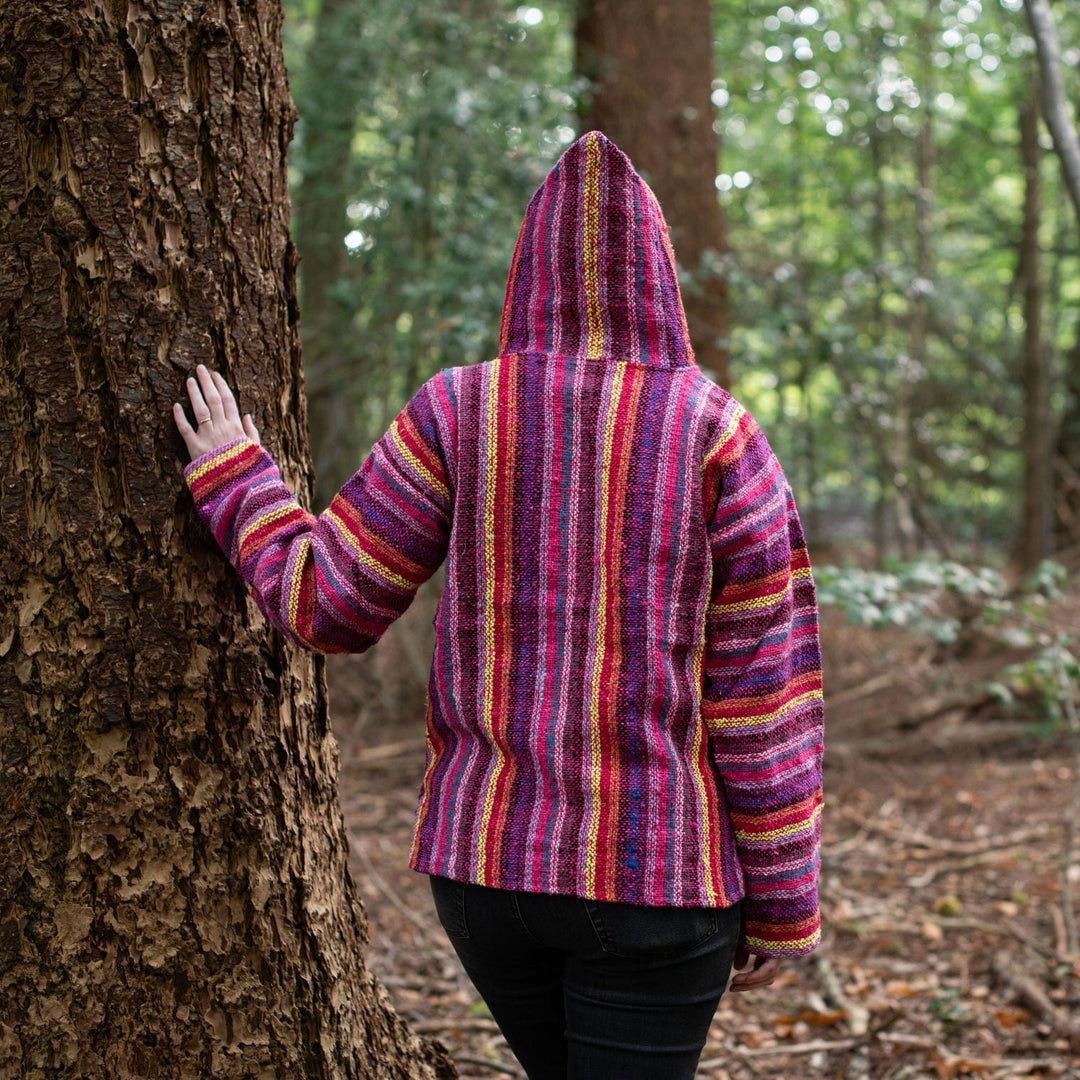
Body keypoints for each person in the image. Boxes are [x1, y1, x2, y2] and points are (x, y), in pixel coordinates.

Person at [174, 130, 825, 1080]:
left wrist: (236, 474)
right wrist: (784, 896)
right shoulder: (719, 435)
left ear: (527, 268)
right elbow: (764, 698)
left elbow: (328, 601)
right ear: (662, 278)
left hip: (485, 876)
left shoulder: (457, 410)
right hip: (656, 883)